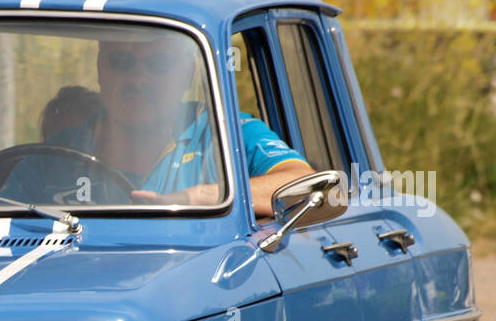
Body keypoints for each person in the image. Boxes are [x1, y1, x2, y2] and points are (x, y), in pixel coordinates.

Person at [17, 36, 313, 218]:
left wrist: (198, 198)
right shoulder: (53, 158)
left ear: (186, 74)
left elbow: (305, 186)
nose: (138, 80)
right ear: (100, 69)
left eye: (158, 64)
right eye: (121, 62)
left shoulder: (226, 133)